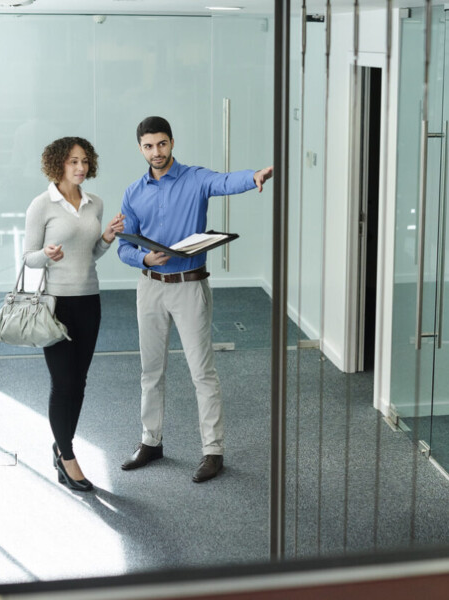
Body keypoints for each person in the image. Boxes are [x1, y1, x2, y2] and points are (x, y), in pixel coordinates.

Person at [118, 116, 273, 482]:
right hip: (151, 287)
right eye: (148, 146)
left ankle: (212, 451)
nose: (156, 152)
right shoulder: (133, 192)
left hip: (189, 286)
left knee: (202, 372)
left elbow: (224, 181)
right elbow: (125, 245)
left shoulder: (195, 178)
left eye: (162, 144)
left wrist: (253, 177)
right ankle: (150, 441)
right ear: (140, 148)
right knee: (150, 371)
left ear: (172, 142)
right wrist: (143, 258)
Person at [24, 136, 125, 491]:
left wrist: (108, 238)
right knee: (62, 383)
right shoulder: (42, 205)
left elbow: (90, 253)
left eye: (84, 161)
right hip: (57, 304)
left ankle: (61, 443)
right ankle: (67, 457)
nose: (81, 167)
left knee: (78, 383)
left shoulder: (94, 204)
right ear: (58, 165)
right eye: (73, 162)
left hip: (89, 301)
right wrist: (46, 254)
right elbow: (28, 257)